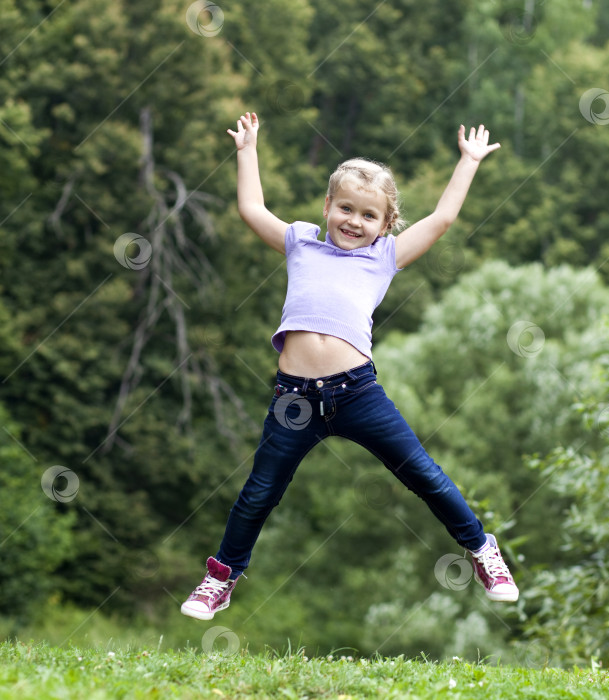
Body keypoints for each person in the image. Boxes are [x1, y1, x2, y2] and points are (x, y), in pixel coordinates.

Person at [181, 112, 518, 621]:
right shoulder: (300, 242)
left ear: (385, 225)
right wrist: (246, 150)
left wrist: (468, 161)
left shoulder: (384, 257)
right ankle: (221, 577)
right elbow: (251, 207)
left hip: (356, 393)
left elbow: (442, 219)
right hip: (294, 398)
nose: (353, 222)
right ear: (327, 206)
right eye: (345, 208)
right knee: (259, 493)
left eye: (367, 216)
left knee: (422, 474)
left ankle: (481, 549)